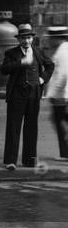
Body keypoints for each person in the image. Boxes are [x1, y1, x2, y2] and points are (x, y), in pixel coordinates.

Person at [1, 22, 54, 169]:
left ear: (32, 38)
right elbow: (3, 69)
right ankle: (10, 161)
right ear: (18, 39)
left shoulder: (38, 52)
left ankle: (29, 160)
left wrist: (42, 79)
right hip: (16, 95)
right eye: (23, 38)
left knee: (31, 127)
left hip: (34, 94)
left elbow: (50, 65)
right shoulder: (11, 53)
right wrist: (21, 62)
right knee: (13, 127)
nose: (26, 41)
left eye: (29, 38)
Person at [45, 26, 68, 161]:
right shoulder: (62, 50)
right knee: (59, 122)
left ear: (56, 39)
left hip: (62, 96)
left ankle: (65, 154)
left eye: (51, 38)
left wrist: (52, 94)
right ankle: (65, 153)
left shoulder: (63, 52)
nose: (49, 40)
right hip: (62, 95)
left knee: (59, 122)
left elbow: (62, 75)